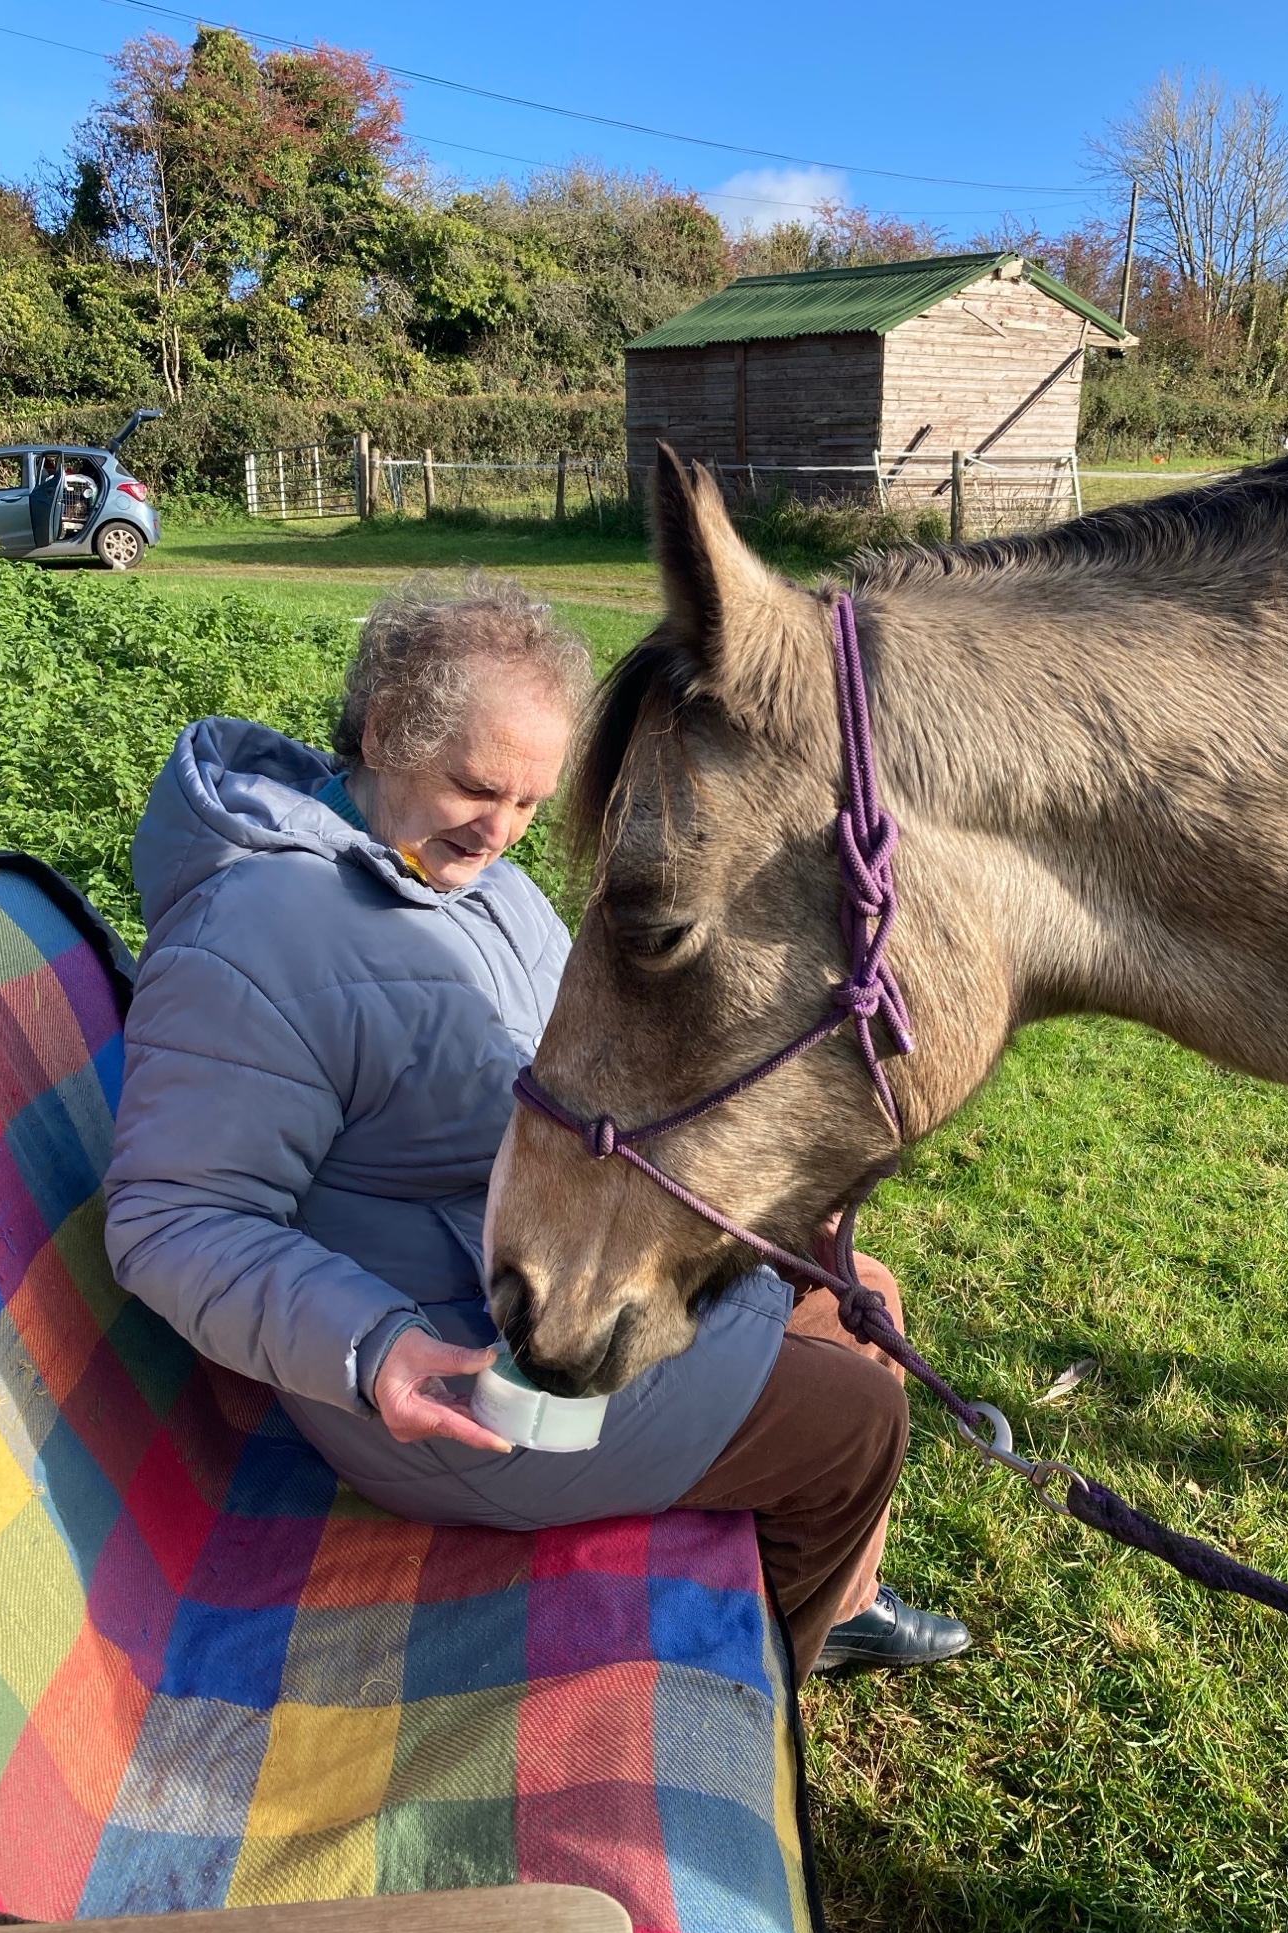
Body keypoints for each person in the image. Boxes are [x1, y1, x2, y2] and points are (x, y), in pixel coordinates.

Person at [104, 578, 971, 1683]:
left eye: (529, 801)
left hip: (559, 1260)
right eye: (476, 785)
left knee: (867, 1296)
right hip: (454, 1371)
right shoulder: (257, 935)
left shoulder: (482, 882)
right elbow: (172, 1216)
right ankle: (778, 1669)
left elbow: (593, 1083)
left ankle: (836, 1599)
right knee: (853, 1428)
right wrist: (371, 1348)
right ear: (383, 731)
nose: (503, 828)